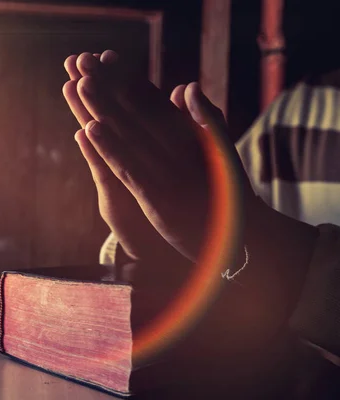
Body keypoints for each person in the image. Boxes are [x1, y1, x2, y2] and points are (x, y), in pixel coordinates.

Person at [60, 50, 340, 366]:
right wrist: (161, 255)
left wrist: (275, 250)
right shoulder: (298, 114)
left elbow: (248, 237)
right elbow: (227, 268)